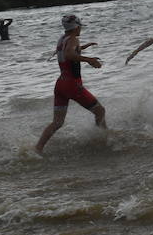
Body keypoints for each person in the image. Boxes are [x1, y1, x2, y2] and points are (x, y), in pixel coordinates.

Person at [35, 14, 105, 154]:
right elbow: (69, 54)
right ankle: (102, 141)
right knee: (100, 111)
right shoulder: (73, 39)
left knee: (57, 122)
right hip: (72, 86)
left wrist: (83, 47)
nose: (81, 30)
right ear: (76, 27)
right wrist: (89, 60)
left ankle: (37, 149)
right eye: (80, 27)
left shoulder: (62, 38)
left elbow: (64, 51)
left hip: (60, 85)